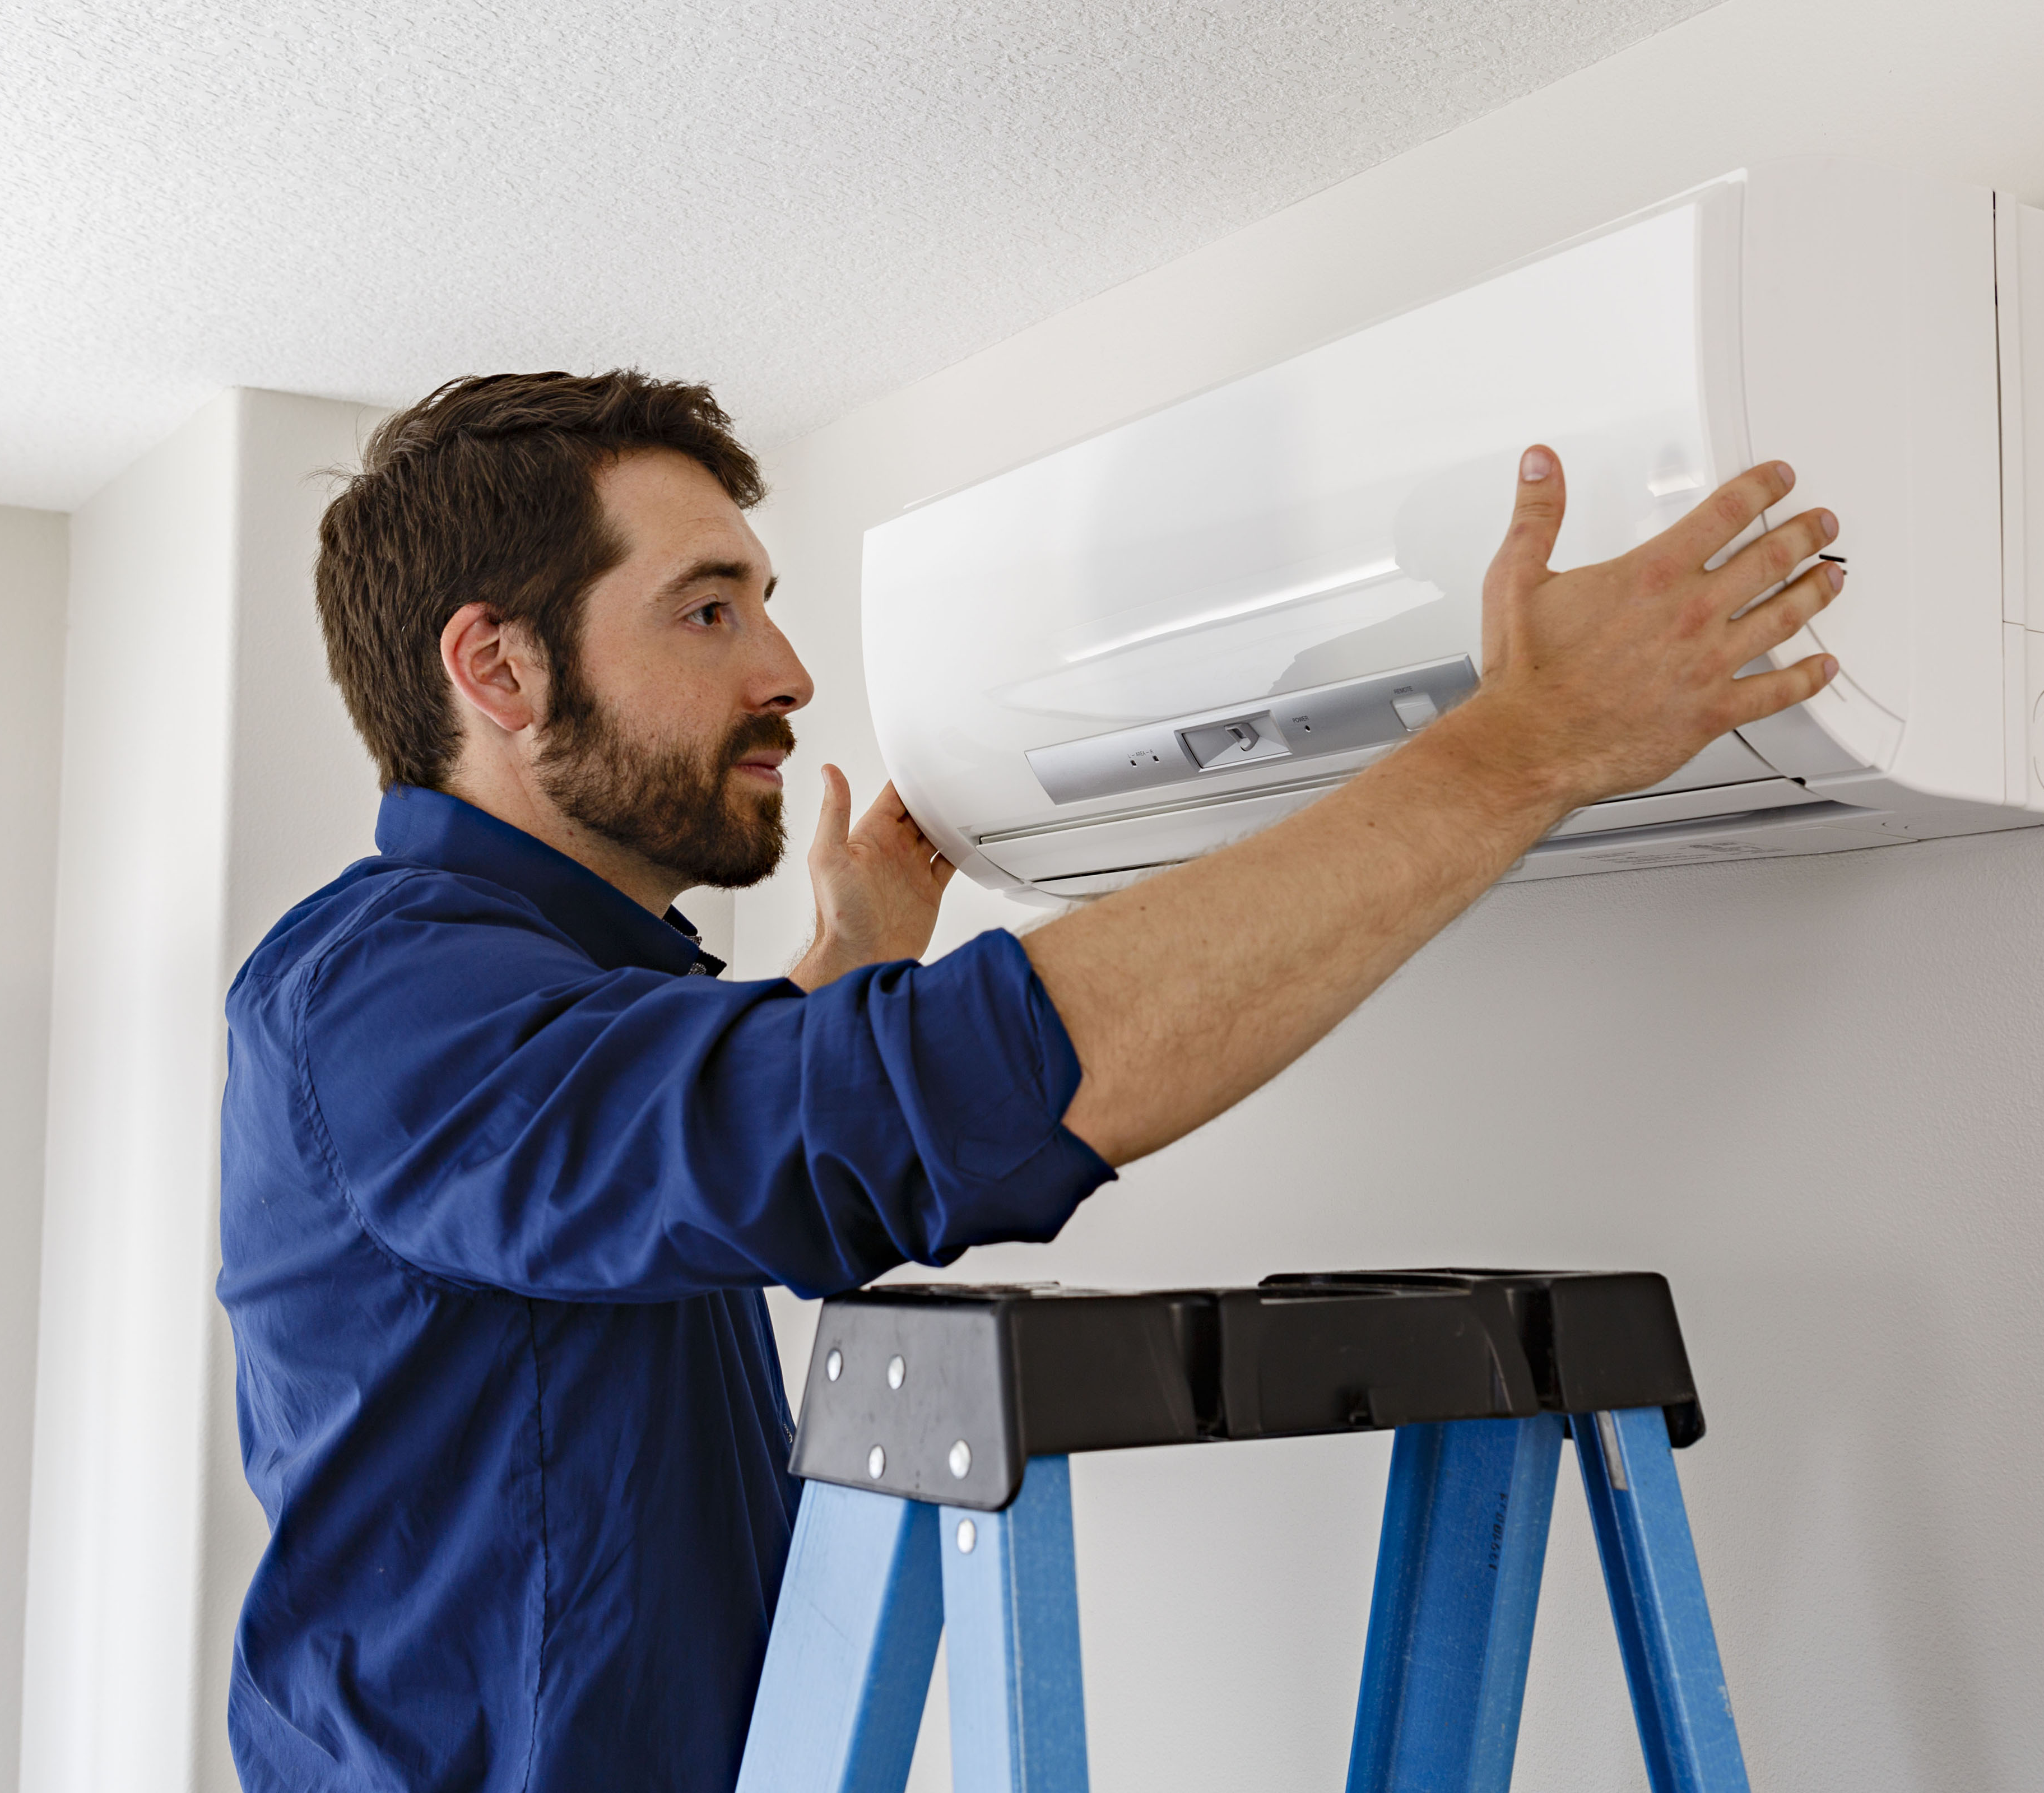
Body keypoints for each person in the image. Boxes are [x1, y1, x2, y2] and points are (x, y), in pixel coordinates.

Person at [218, 369, 1841, 1791]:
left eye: (764, 603)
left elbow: (647, 1190)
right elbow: (877, 1125)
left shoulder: (543, 1000)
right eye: (708, 610)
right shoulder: (381, 998)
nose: (784, 669)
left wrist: (825, 995)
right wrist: (1522, 746)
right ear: (496, 673)